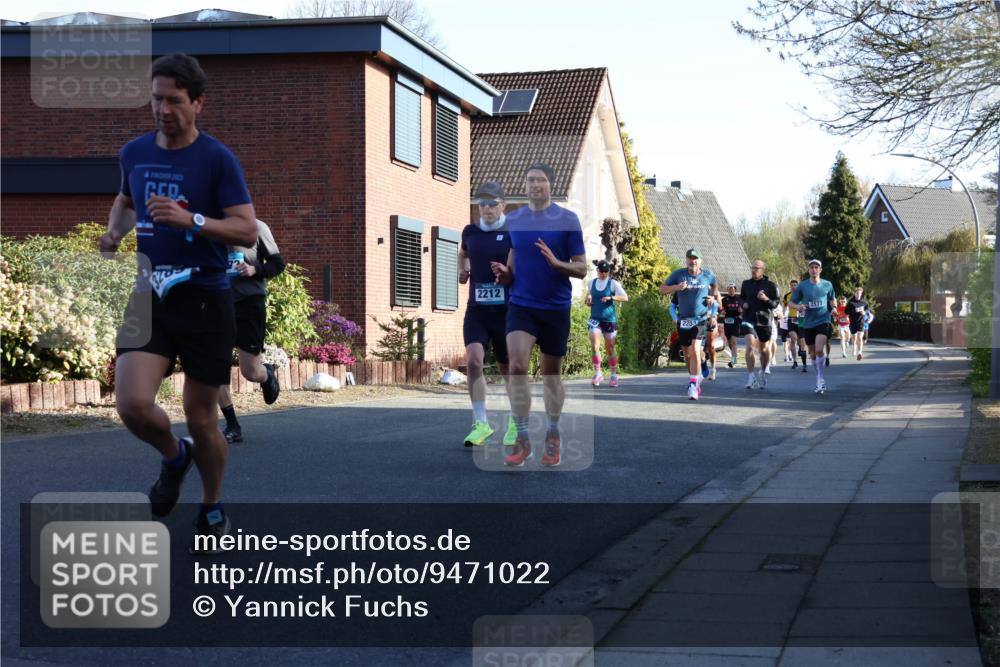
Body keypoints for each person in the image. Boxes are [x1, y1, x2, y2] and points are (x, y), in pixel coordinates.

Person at [100, 53, 257, 549]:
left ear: (197, 103)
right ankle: (174, 456)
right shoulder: (134, 153)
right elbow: (127, 200)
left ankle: (211, 503)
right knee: (132, 404)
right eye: (155, 99)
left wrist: (191, 220)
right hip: (151, 294)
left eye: (173, 100)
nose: (162, 109)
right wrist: (113, 234)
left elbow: (246, 229)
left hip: (207, 301)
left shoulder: (217, 160)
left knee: (203, 417)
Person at [491, 163, 587, 467]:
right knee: (517, 365)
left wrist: (558, 264)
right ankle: (521, 439)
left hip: (555, 308)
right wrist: (505, 274)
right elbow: (515, 256)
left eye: (541, 180)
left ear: (551, 186)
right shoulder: (514, 220)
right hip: (522, 305)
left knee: (550, 376)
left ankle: (553, 433)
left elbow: (582, 268)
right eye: (530, 180)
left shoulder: (567, 220)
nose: (534, 185)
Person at [218, 218, 285, 444]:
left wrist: (254, 269)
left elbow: (278, 264)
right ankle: (232, 425)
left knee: (250, 371)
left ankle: (266, 374)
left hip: (249, 303)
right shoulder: (206, 226)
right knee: (216, 367)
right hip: (218, 303)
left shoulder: (257, 227)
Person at [459, 181, 515, 447]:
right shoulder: (470, 231)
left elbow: (521, 267)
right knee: (473, 361)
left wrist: (507, 273)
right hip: (477, 310)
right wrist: (463, 270)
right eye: (482, 203)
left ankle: (517, 420)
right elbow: (463, 252)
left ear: (503, 205)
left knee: (508, 369)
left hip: (506, 311)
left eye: (492, 203)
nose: (487, 208)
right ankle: (481, 423)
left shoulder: (512, 231)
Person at [660, 248, 720, 401]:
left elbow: (715, 287)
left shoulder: (708, 275)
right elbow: (662, 289)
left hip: (700, 318)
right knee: (687, 354)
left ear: (700, 261)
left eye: (696, 258)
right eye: (690, 258)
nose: (693, 261)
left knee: (695, 349)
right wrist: (676, 287)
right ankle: (694, 376)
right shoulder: (678, 274)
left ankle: (693, 384)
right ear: (686, 260)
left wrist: (713, 299)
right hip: (684, 320)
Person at [790, 259, 837, 394]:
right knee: (811, 353)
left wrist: (833, 308)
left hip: (823, 320)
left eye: (816, 267)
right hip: (808, 322)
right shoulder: (802, 286)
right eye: (811, 267)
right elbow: (791, 303)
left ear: (820, 270)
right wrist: (798, 306)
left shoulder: (827, 284)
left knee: (818, 350)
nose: (814, 269)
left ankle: (820, 379)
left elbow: (832, 298)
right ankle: (819, 378)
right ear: (808, 270)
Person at [585, 259, 629, 387]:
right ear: (597, 271)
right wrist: (588, 300)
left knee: (610, 347)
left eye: (606, 271)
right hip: (595, 319)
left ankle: (614, 374)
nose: (603, 274)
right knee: (594, 345)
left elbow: (625, 297)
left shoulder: (612, 283)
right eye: (601, 271)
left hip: (609, 320)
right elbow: (588, 297)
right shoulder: (591, 283)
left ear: (608, 271)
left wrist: (611, 298)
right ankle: (598, 373)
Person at [739, 260, 780, 390]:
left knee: (763, 349)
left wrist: (765, 299)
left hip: (764, 320)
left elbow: (775, 304)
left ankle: (762, 371)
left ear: (763, 270)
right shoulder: (746, 284)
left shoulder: (771, 285)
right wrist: (742, 304)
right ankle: (750, 377)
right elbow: (741, 297)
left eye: (757, 268)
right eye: (753, 268)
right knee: (750, 345)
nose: (754, 270)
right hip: (748, 318)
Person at [783, 279, 807, 371]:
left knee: (802, 342)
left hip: (801, 319)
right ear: (790, 286)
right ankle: (795, 362)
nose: (793, 286)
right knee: (793, 338)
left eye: (795, 285)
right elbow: (785, 307)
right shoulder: (787, 296)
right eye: (792, 285)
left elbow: (807, 305)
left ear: (798, 286)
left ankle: (804, 364)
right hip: (791, 319)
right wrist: (782, 315)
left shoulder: (803, 296)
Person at [721, 283, 743, 368]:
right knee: (729, 342)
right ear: (727, 290)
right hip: (727, 321)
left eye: (732, 288)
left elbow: (744, 310)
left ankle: (733, 361)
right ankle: (734, 355)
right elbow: (721, 310)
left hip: (736, 321)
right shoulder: (724, 300)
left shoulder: (739, 299)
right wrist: (722, 311)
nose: (731, 290)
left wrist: (741, 312)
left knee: (734, 341)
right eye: (729, 288)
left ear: (735, 289)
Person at [846, 287, 870, 360]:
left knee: (860, 337)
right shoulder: (851, 302)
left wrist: (864, 312)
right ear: (854, 293)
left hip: (861, 321)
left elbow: (867, 309)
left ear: (861, 293)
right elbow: (846, 312)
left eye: (859, 293)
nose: (858, 295)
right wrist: (854, 311)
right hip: (853, 322)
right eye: (857, 293)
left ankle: (860, 352)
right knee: (854, 337)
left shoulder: (864, 302)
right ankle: (854, 348)